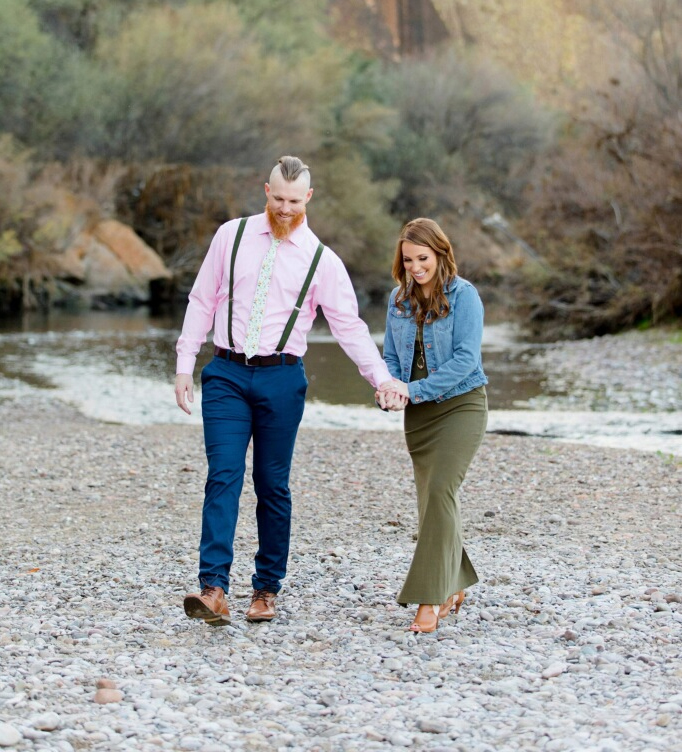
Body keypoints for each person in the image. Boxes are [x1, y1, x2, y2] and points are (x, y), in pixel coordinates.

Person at [175, 156, 402, 626]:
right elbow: (202, 300)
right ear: (266, 190)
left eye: (294, 201)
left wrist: (381, 379)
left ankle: (265, 590)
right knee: (223, 475)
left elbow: (349, 327)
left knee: (272, 484)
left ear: (308, 198)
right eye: (277, 198)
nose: (284, 208)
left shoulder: (323, 261)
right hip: (226, 373)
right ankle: (213, 588)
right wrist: (183, 364)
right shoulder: (231, 236)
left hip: (282, 378)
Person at [377, 218, 488, 633]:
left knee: (441, 490)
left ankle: (431, 597)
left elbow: (466, 360)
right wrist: (390, 387)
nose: (415, 267)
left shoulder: (465, 296)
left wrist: (413, 389)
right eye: (408, 260)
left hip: (461, 406)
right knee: (432, 502)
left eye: (422, 258)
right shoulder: (398, 299)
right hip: (419, 414)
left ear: (441, 254)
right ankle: (454, 584)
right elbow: (391, 356)